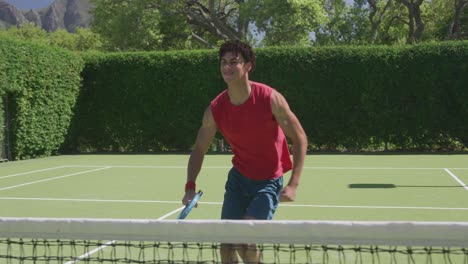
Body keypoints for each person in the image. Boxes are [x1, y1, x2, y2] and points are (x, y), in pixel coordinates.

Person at [182, 40, 307, 263]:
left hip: (268, 180)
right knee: (226, 246)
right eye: (223, 62)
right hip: (238, 180)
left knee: (245, 241)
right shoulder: (215, 109)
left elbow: (299, 138)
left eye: (234, 62)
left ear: (248, 66)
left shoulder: (271, 99)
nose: (227, 67)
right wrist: (190, 186)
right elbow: (199, 149)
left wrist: (293, 184)